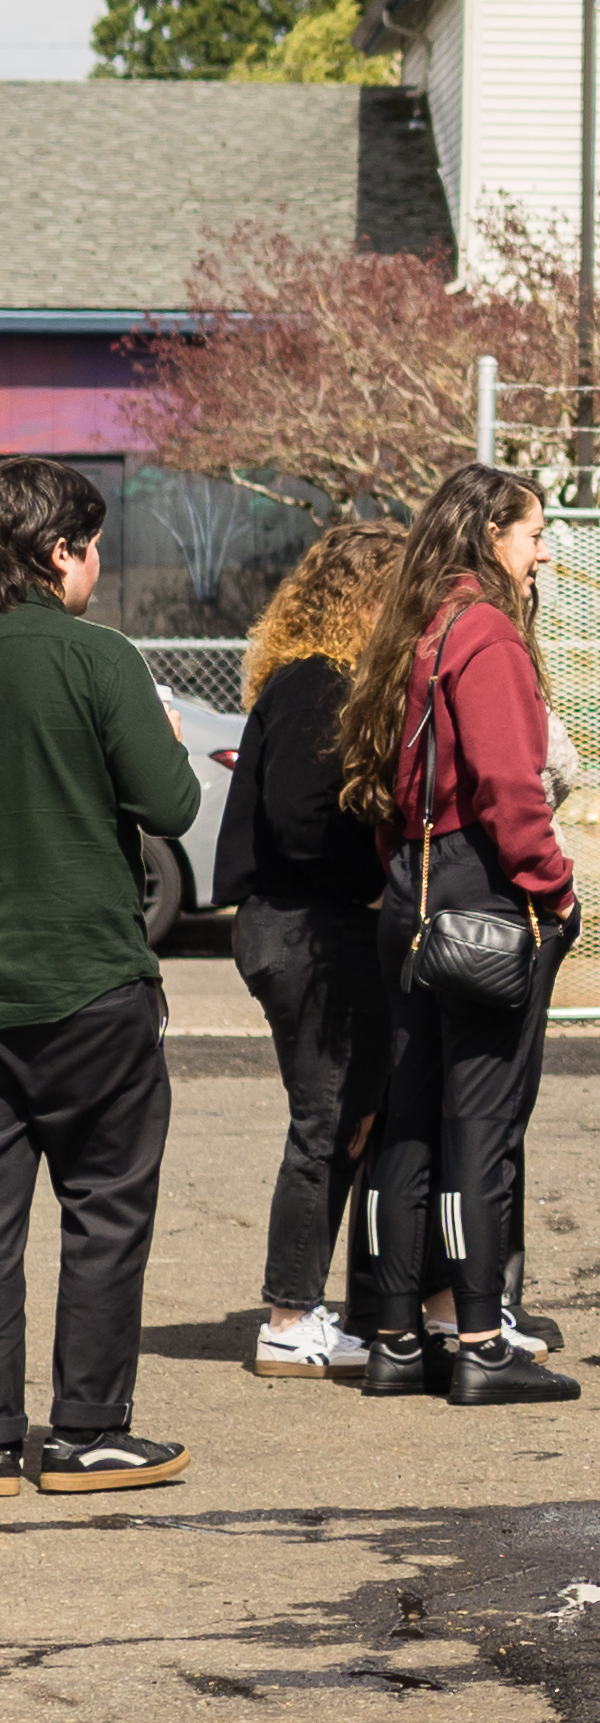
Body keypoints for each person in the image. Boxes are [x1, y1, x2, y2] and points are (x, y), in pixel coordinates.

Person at [343, 467, 582, 1404]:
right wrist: (553, 890)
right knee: (479, 1125)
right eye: (532, 533)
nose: (542, 552)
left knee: (408, 1123)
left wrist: (405, 875)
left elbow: (380, 781)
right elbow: (508, 786)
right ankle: (482, 1342)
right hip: (481, 888)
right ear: (490, 533)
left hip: (411, 889)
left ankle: (395, 1339)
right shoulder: (485, 632)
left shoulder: (417, 627)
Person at [0, 459, 202, 1490]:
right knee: (105, 1206)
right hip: (89, 980)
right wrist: (164, 736)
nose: (96, 568)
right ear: (56, 554)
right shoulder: (98, 657)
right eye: (91, 550)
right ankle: (85, 1430)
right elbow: (171, 805)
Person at [209, 521, 401, 1371]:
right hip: (305, 929)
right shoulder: (317, 684)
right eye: (398, 594)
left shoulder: (313, 680)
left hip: (303, 926)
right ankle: (288, 1320)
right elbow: (298, 821)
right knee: (325, 1122)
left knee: (348, 1118)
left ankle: (307, 1309)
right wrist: (363, 882)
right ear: (363, 598)